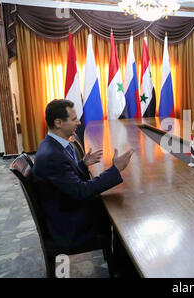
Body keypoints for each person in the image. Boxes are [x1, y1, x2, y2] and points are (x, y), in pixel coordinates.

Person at [33, 99, 134, 269]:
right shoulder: (52, 155)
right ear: (58, 123)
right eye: (74, 119)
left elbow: (64, 177)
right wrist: (115, 170)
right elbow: (81, 191)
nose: (79, 122)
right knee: (123, 215)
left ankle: (121, 264)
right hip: (69, 225)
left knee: (118, 205)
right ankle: (124, 269)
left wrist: (81, 164)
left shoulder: (53, 144)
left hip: (65, 208)